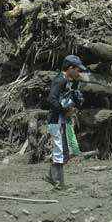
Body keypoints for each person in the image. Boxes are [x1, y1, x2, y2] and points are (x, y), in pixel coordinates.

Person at [46, 55, 86, 190]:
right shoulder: (60, 80)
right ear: (70, 68)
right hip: (56, 119)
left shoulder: (66, 80)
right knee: (61, 150)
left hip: (60, 119)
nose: (79, 72)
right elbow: (51, 99)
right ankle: (59, 183)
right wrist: (64, 111)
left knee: (63, 150)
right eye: (77, 70)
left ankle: (52, 176)